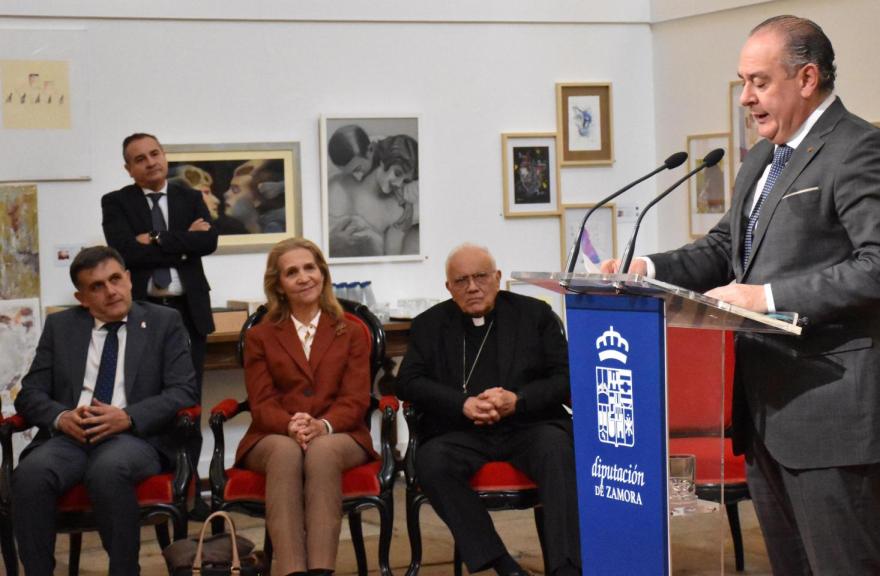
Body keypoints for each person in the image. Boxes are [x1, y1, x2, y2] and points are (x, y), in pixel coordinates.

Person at [602, 16, 880, 575]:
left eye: (759, 82)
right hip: (767, 414)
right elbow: (723, 248)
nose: (745, 98)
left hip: (835, 415)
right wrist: (643, 268)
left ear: (807, 78)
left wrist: (766, 296)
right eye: (743, 82)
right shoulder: (761, 159)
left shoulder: (861, 149)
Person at [396, 243, 581, 576]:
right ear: (448, 287)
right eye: (461, 280)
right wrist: (462, 404)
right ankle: (503, 564)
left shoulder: (534, 315)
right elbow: (408, 382)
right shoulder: (429, 324)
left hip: (529, 426)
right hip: (462, 432)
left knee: (557, 449)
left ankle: (565, 568)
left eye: (481, 276)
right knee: (431, 460)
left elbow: (566, 377)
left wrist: (518, 400)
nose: (472, 287)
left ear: (497, 277)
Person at [12, 246, 198, 576]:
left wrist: (128, 416)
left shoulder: (163, 321)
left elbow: (183, 390)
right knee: (30, 474)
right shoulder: (61, 326)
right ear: (82, 297)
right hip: (72, 436)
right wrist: (62, 417)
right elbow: (29, 394)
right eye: (97, 286)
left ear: (128, 279)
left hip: (135, 437)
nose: (111, 291)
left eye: (115, 279)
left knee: (108, 468)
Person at [234, 238, 375, 576]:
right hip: (273, 434)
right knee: (286, 452)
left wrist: (322, 426)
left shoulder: (351, 331)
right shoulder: (260, 336)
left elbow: (355, 399)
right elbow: (261, 402)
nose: (303, 277)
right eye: (292, 272)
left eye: (310, 268)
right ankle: (293, 570)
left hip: (341, 433)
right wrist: (291, 426)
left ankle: (321, 570)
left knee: (322, 451)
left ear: (322, 273)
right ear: (278, 285)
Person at [101, 133, 218, 390]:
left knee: (190, 388)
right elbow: (126, 253)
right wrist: (185, 242)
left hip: (189, 310)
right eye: (140, 159)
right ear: (128, 169)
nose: (151, 162)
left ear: (164, 156)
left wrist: (155, 237)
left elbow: (208, 242)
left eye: (155, 154)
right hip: (142, 308)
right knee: (146, 388)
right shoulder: (116, 202)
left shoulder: (190, 197)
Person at [327, 131, 419, 257]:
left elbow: (392, 259)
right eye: (397, 173)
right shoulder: (339, 185)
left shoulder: (400, 210)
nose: (398, 184)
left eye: (405, 181)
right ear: (383, 161)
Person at [222, 159, 287, 234]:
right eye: (230, 189)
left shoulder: (274, 228)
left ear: (257, 200)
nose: (225, 194)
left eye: (235, 190)